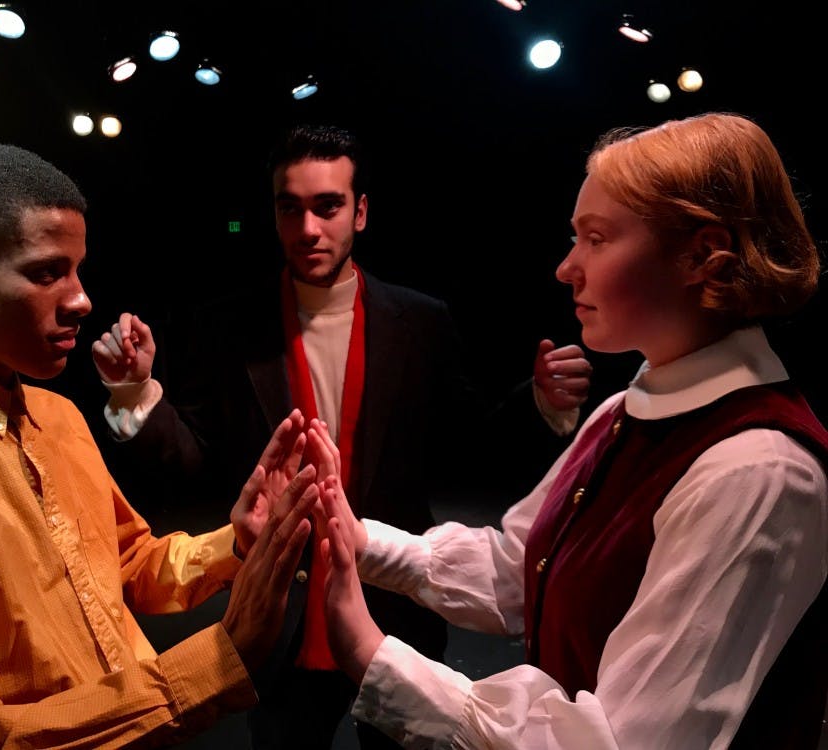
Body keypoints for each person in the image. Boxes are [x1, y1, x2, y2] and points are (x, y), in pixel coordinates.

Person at [314, 111, 828, 749]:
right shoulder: (625, 411)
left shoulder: (759, 473)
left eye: (598, 238)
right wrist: (351, 536)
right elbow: (519, 571)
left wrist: (371, 653)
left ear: (702, 256)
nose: (566, 267)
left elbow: (618, 743)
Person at [91, 122, 593, 749]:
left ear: (360, 212)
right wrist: (136, 394)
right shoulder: (226, 326)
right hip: (278, 614)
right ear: (273, 215)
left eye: (327, 207)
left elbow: (469, 446)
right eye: (289, 208)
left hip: (392, 607)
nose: (307, 230)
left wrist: (540, 401)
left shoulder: (420, 322)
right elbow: (197, 461)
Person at [0, 138, 327, 750]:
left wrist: (235, 542)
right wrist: (214, 663)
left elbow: (128, 563)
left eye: (77, 269)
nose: (82, 300)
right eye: (45, 272)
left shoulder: (57, 415)